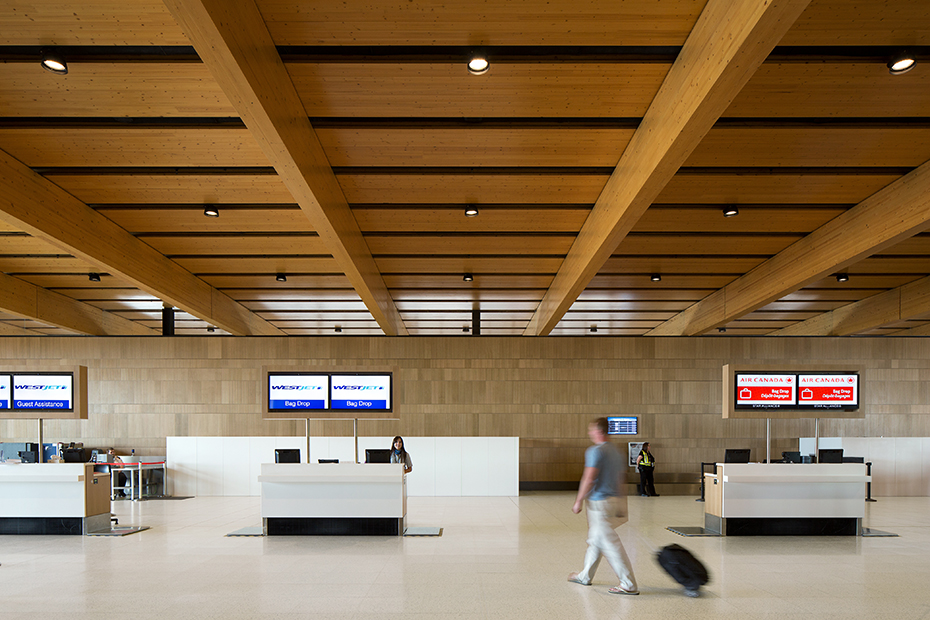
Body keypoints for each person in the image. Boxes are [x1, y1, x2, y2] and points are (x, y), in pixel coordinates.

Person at [568, 417, 639, 595]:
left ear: (599, 431)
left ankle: (628, 584)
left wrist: (578, 500)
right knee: (595, 541)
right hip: (613, 501)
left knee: (610, 543)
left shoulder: (595, 451)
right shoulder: (616, 452)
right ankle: (585, 576)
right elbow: (620, 479)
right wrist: (622, 502)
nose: (590, 433)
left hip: (600, 503)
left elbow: (589, 477)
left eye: (591, 430)